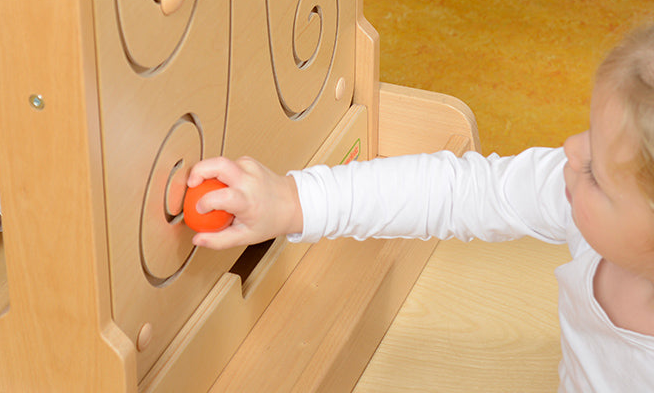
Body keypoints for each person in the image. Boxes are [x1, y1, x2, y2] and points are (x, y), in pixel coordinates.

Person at [187, 25, 654, 392]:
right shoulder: (575, 192)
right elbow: (458, 191)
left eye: (598, 173)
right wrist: (295, 201)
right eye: (587, 130)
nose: (571, 150)